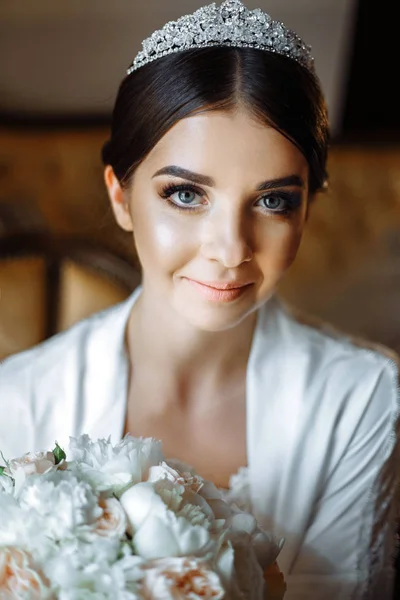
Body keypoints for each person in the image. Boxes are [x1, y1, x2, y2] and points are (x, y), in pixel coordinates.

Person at [0, 1, 399, 598]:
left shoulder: (363, 400)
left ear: (308, 208)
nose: (231, 249)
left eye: (273, 201)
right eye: (186, 194)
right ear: (120, 196)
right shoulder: (19, 399)